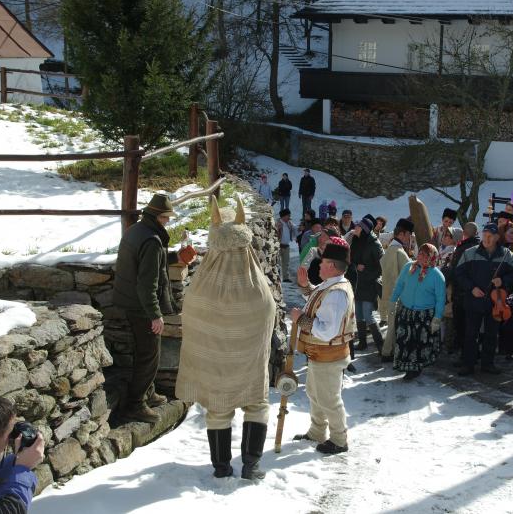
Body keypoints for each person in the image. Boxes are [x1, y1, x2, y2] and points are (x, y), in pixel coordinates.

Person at [176, 198, 276, 480]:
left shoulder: (201, 287)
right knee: (256, 402)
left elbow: (191, 316)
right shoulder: (256, 285)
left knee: (218, 406)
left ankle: (221, 467)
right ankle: (251, 465)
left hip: (215, 362)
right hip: (250, 359)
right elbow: (268, 313)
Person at [113, 193, 178, 422]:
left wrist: (177, 256)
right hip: (141, 307)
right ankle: (136, 404)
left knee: (144, 353)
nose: (168, 221)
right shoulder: (152, 240)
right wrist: (155, 315)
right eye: (166, 217)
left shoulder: (136, 230)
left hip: (129, 301)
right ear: (157, 216)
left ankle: (148, 392)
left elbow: (146, 263)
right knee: (149, 356)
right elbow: (147, 284)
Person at [291, 237, 355, 454]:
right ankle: (318, 431)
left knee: (329, 399)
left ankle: (339, 439)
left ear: (332, 266)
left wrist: (300, 319)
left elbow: (328, 330)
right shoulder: (331, 286)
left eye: (323, 262)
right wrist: (304, 285)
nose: (319, 265)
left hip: (329, 355)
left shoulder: (337, 293)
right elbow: (317, 298)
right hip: (320, 353)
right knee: (314, 393)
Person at [453, 223, 513, 376]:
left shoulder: (507, 255)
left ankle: (488, 363)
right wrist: (471, 288)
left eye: (490, 236)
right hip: (474, 300)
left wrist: (503, 280)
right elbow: (459, 274)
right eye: (484, 235)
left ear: (497, 237)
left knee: (491, 333)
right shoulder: (470, 253)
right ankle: (468, 364)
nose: (486, 239)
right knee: (471, 334)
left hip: (495, 301)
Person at [389, 243, 446, 380]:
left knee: (417, 344)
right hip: (406, 311)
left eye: (425, 255)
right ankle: (404, 364)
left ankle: (415, 369)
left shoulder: (437, 276)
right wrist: (392, 301)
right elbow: (399, 285)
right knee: (403, 340)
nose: (421, 256)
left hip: (424, 315)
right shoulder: (409, 267)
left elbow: (441, 299)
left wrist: (437, 318)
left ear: (432, 257)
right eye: (420, 253)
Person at [347, 214, 385, 356]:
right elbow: (350, 260)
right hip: (357, 283)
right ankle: (362, 343)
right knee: (359, 315)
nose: (355, 227)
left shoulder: (375, 244)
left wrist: (366, 270)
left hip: (369, 284)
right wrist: (356, 266)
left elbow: (382, 267)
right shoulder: (355, 241)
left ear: (364, 229)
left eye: (358, 226)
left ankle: (381, 346)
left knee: (368, 315)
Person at [379, 218, 414, 362]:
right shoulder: (399, 251)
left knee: (392, 325)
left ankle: (389, 351)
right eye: (409, 235)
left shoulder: (389, 250)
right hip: (397, 296)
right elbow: (410, 273)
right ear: (402, 234)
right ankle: (387, 353)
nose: (410, 238)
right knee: (393, 326)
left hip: (387, 293)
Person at [444, 222, 480, 357]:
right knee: (473, 326)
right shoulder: (481, 248)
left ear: (464, 233)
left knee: (462, 326)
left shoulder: (462, 249)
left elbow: (455, 271)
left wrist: (445, 277)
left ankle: (465, 355)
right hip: (476, 292)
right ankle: (473, 353)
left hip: (461, 292)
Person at [276, 208, 295, 283]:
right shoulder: (278, 223)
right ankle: (277, 277)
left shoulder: (289, 223)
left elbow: (295, 229)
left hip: (286, 245)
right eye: (288, 215)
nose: (289, 217)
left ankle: (285, 277)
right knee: (277, 263)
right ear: (284, 216)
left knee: (286, 263)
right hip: (279, 246)